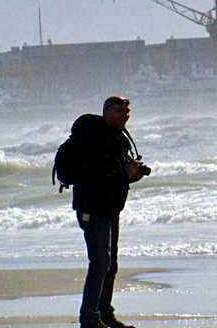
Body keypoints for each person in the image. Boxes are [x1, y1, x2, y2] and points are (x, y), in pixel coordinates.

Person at [72, 95, 149, 328]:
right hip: (92, 208)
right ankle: (90, 318)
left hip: (109, 207)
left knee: (110, 264)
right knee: (99, 263)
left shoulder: (118, 139)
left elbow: (116, 176)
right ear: (106, 111)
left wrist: (132, 174)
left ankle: (105, 314)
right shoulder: (95, 138)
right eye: (119, 110)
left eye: (127, 110)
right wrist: (123, 173)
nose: (125, 114)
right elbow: (94, 174)